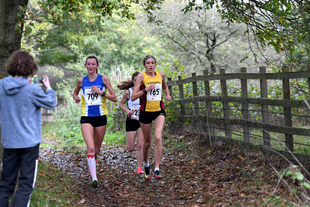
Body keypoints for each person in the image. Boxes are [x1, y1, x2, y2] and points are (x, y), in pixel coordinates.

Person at [0, 50, 57, 206]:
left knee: (5, 185)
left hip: (9, 141)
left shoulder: (1, 87)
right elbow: (51, 103)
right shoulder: (32, 89)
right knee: (25, 185)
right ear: (30, 68)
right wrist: (49, 88)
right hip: (29, 144)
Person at [72, 55, 117, 188]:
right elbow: (74, 93)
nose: (91, 66)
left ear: (97, 66)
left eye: (93, 64)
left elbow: (114, 98)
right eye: (88, 64)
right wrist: (76, 98)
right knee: (90, 147)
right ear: (85, 66)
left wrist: (101, 92)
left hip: (101, 117)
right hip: (86, 117)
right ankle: (94, 178)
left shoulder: (104, 79)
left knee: (96, 149)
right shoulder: (81, 81)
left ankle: (94, 158)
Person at [131, 55, 172, 180]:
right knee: (147, 142)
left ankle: (157, 169)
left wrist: (168, 95)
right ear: (144, 65)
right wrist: (146, 90)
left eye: (152, 63)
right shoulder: (141, 77)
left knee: (158, 138)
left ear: (155, 64)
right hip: (145, 112)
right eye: (148, 63)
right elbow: (133, 97)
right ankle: (147, 165)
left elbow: (165, 86)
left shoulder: (161, 75)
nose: (150, 65)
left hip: (159, 110)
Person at [117, 72, 144, 175]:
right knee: (131, 148)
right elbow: (121, 104)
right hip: (131, 119)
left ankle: (139, 167)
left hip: (142, 120)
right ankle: (139, 164)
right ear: (133, 81)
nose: (138, 82)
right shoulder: (128, 92)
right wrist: (128, 111)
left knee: (140, 145)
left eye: (140, 80)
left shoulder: (144, 91)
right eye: (136, 80)